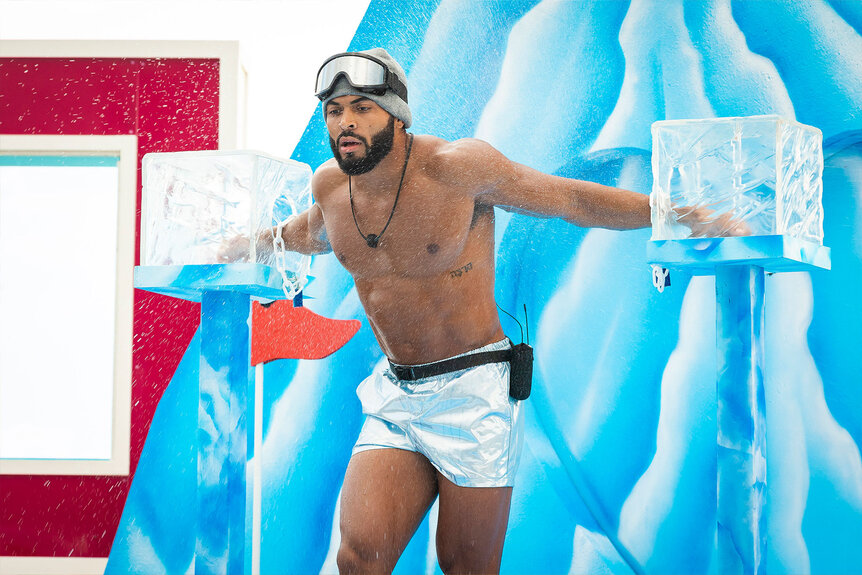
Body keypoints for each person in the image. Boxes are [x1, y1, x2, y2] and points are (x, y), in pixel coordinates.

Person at [225, 47, 738, 574]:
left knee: (465, 566)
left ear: (398, 117)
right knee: (358, 559)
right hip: (397, 393)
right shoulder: (331, 188)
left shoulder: (458, 168)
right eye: (334, 111)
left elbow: (570, 200)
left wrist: (668, 214)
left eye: (361, 107)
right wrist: (240, 247)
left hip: (475, 390)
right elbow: (303, 235)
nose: (345, 123)